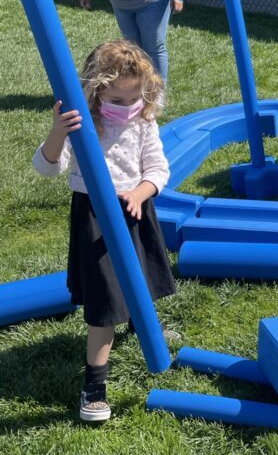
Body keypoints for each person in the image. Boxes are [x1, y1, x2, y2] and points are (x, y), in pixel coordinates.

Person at [32, 40, 176, 423]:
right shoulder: (81, 122)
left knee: (139, 280)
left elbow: (158, 169)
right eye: (117, 99)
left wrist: (140, 193)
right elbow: (47, 168)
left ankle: (147, 327)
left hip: (134, 209)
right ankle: (94, 386)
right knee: (104, 304)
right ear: (96, 91)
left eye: (135, 98)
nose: (127, 107)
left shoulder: (143, 120)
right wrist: (57, 133)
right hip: (94, 216)